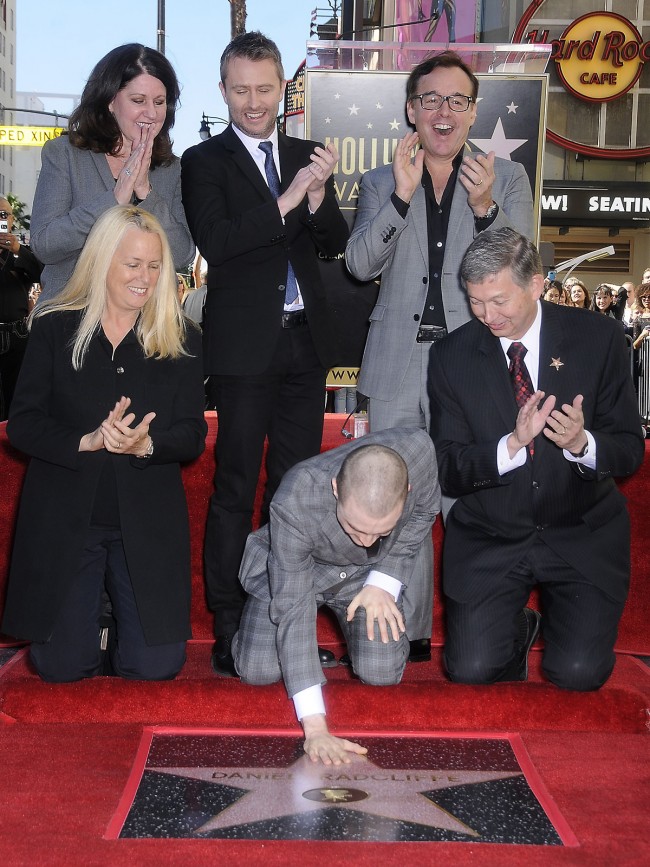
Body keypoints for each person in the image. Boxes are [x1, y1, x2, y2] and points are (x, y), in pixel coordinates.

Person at [345, 50, 534, 659]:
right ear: (411, 109)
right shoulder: (380, 179)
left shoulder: (506, 180)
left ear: (474, 111)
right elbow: (358, 264)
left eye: (457, 100)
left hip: (470, 364)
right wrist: (400, 200)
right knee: (395, 500)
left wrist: (485, 212)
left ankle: (481, 627)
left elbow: (524, 268)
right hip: (397, 363)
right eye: (431, 99)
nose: (443, 111)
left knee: (468, 495)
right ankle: (407, 633)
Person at [181, 31, 349, 677]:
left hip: (306, 343)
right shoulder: (205, 161)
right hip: (244, 348)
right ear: (223, 90)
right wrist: (284, 201)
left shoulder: (306, 153)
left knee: (294, 490)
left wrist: (313, 196)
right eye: (241, 89)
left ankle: (286, 617)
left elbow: (331, 240)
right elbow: (219, 243)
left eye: (265, 88)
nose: (254, 102)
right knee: (233, 488)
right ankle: (228, 622)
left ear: (283, 88)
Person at [428, 227, 644, 691]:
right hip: (492, 535)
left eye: (499, 301)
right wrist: (509, 445)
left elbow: (628, 448)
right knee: (471, 670)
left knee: (579, 675)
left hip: (581, 530)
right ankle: (519, 629)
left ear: (537, 284)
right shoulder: (451, 355)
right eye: (475, 302)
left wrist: (582, 445)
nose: (487, 315)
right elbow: (447, 466)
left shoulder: (600, 339)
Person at [1, 206, 207, 682]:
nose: (146, 278)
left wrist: (146, 445)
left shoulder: (183, 339)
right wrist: (86, 440)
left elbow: (193, 434)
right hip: (66, 520)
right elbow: (23, 424)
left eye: (155, 265)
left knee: (155, 668)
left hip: (147, 524)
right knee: (59, 668)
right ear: (101, 262)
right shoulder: (54, 329)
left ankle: (117, 626)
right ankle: (92, 624)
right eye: (132, 264)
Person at [233, 427, 440, 764]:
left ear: (408, 490)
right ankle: (244, 637)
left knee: (381, 673)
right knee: (259, 671)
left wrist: (383, 581)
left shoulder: (419, 452)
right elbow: (294, 607)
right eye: (355, 527)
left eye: (381, 531)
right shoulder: (296, 498)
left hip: (367, 577)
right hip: (298, 570)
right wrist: (315, 727)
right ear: (335, 489)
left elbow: (423, 513)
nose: (367, 542)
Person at [30, 43, 195, 302]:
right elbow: (44, 246)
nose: (151, 113)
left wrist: (146, 192)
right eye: (138, 100)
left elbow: (183, 255)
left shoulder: (170, 168)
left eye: (159, 102)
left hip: (144, 329)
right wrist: (114, 199)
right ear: (110, 101)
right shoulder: (64, 154)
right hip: (70, 321)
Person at [0, 197, 42, 420]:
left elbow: (41, 275)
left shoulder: (22, 252)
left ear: (12, 220)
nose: (0, 219)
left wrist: (18, 249)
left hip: (17, 333)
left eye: (3, 215)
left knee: (16, 396)